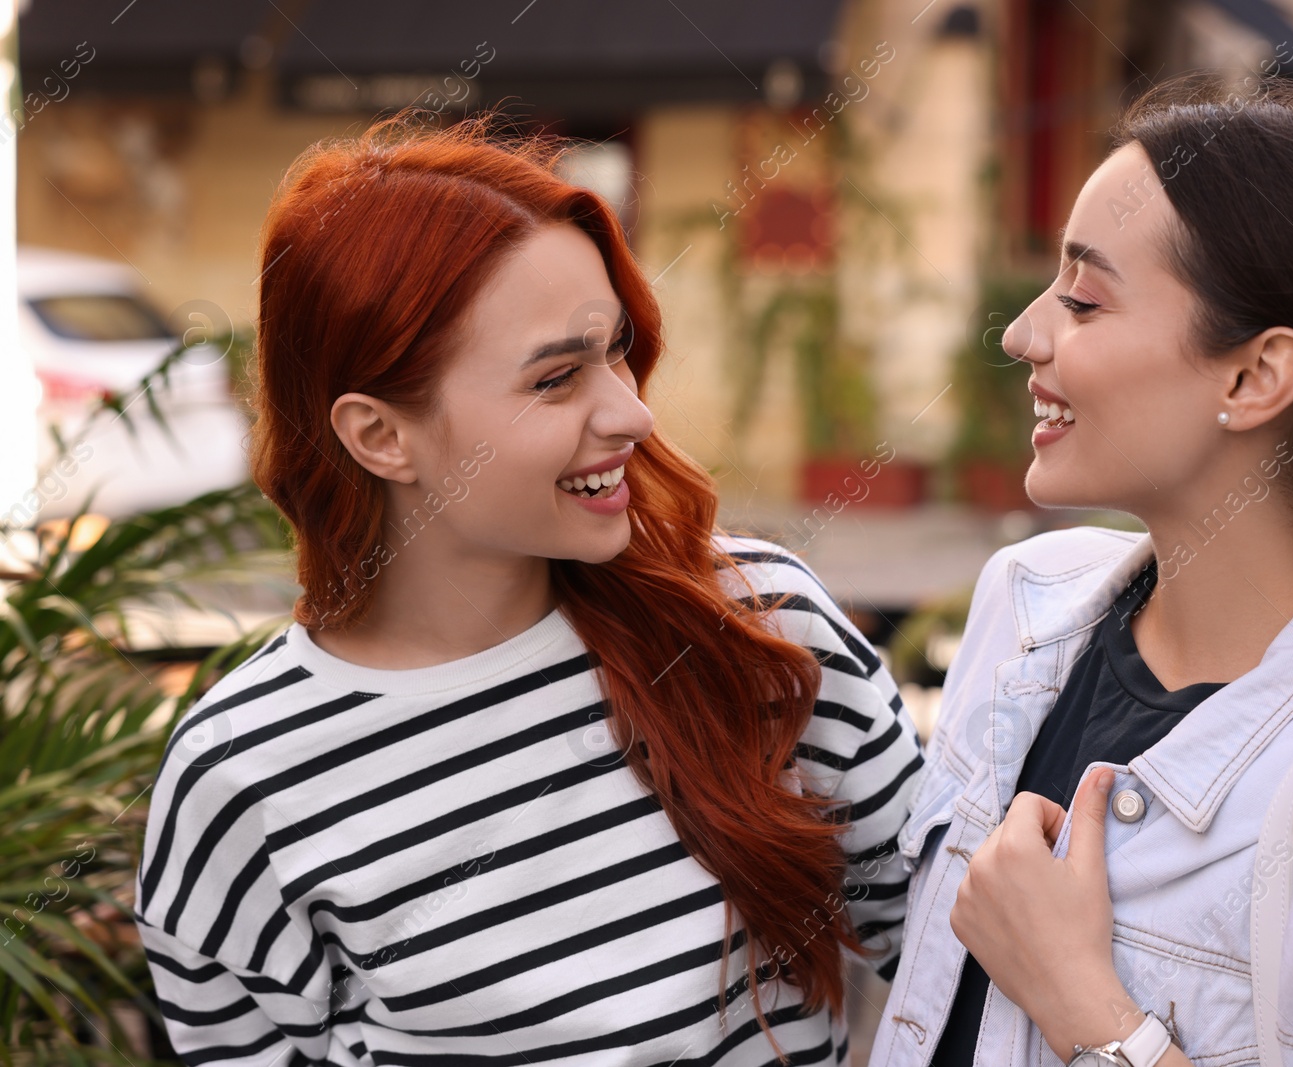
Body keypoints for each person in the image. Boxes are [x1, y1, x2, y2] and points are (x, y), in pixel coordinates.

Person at [134, 118, 924, 1065]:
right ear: (381, 436)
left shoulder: (756, 624)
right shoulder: (242, 774)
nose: (631, 411)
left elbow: (961, 950)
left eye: (618, 351)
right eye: (556, 378)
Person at [870, 76, 1293, 1065]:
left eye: (1081, 297)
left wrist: (1096, 1019)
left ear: (1253, 377)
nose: (1023, 335)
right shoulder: (1021, 609)